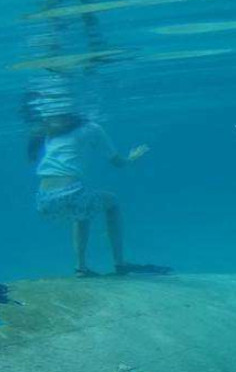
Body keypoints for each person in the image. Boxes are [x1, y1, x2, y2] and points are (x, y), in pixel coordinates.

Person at [28, 110, 169, 276]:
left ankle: (80, 267)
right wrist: (132, 158)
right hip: (70, 194)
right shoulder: (91, 127)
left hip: (43, 199)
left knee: (82, 211)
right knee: (112, 202)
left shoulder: (53, 130)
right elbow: (117, 162)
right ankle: (120, 262)